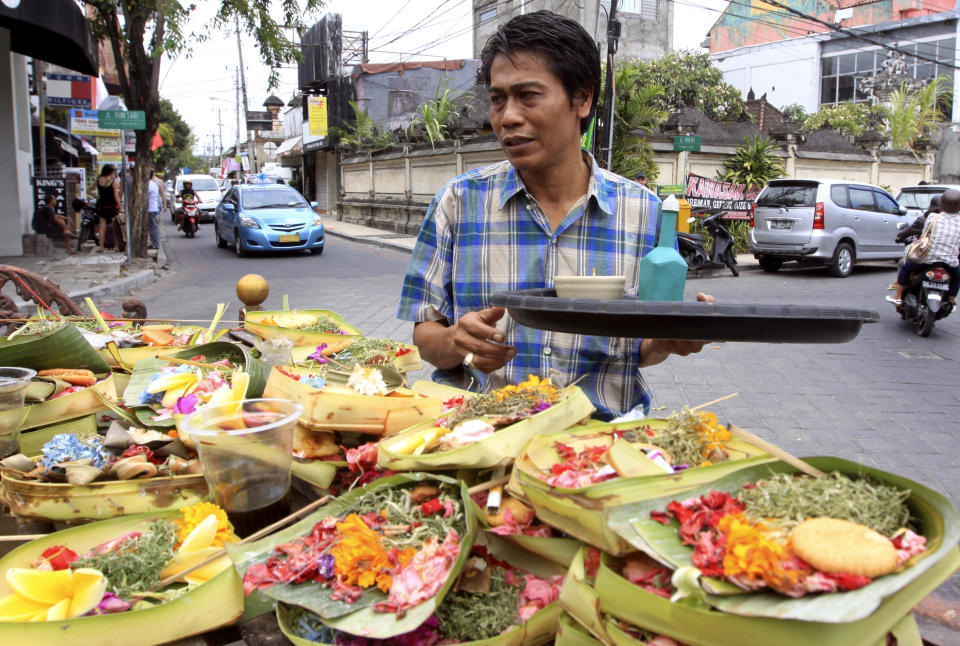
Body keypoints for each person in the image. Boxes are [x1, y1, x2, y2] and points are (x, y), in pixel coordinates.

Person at [397, 11, 712, 420]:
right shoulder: (458, 203)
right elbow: (425, 337)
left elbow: (642, 347)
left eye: (528, 95)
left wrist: (671, 340)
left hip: (599, 447)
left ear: (581, 99)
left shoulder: (644, 213)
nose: (507, 116)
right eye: (498, 98)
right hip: (479, 436)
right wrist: (458, 340)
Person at [887, 188, 960, 306]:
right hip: (950, 262)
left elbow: (925, 234)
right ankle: (951, 300)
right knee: (957, 277)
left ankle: (898, 296)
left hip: (928, 259)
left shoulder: (932, 217)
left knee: (906, 268)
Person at [96, 164, 122, 253]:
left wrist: (97, 196)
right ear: (111, 172)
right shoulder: (112, 181)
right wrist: (120, 205)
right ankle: (116, 246)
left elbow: (88, 189)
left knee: (102, 227)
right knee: (114, 227)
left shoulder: (98, 180)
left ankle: (101, 247)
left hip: (102, 206)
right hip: (112, 206)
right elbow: (116, 196)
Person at [147, 169, 165, 249]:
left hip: (150, 208)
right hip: (153, 207)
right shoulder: (152, 183)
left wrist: (164, 205)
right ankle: (154, 242)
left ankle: (156, 243)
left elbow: (163, 194)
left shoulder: (149, 184)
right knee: (152, 227)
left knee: (153, 227)